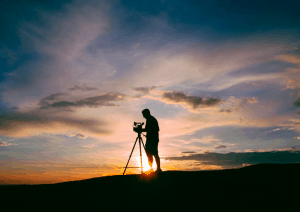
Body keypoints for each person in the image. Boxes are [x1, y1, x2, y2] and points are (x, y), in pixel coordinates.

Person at [141, 108, 162, 173]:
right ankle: (154, 169)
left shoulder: (150, 119)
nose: (143, 116)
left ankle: (156, 169)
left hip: (152, 140)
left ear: (147, 113)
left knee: (153, 154)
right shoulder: (151, 119)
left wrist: (140, 130)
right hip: (153, 139)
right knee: (152, 154)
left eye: (143, 114)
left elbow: (148, 129)